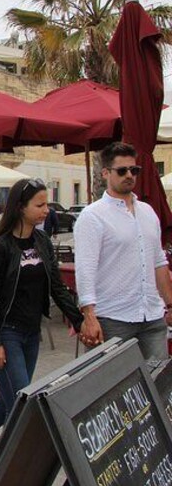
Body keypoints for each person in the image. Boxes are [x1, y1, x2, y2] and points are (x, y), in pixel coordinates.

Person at [0, 178, 83, 440]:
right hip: (6, 334)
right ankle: (4, 471)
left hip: (32, 335)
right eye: (40, 204)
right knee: (21, 408)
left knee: (9, 401)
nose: (47, 210)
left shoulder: (42, 241)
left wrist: (80, 321)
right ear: (21, 207)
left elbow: (57, 287)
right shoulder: (0, 246)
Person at [74, 142, 172, 362]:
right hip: (112, 317)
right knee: (108, 387)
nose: (129, 175)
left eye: (134, 170)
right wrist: (89, 316)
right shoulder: (93, 216)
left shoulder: (148, 212)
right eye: (122, 171)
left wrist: (170, 304)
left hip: (152, 315)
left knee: (160, 386)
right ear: (106, 173)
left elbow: (158, 262)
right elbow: (85, 269)